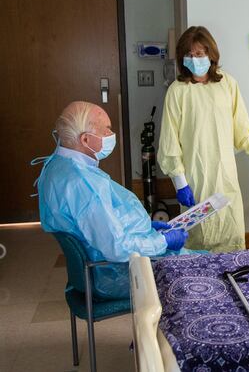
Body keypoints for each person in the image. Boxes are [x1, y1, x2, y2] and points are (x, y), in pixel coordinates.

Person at [35, 101, 198, 299]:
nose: (112, 136)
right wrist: (162, 241)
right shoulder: (83, 184)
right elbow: (118, 249)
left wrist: (145, 227)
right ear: (85, 139)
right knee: (207, 266)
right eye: (107, 130)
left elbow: (99, 223)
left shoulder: (58, 166)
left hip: (98, 265)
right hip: (113, 273)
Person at [158, 26, 249, 253]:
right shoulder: (177, 91)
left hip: (225, 177)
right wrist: (180, 183)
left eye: (199, 54)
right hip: (195, 178)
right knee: (198, 240)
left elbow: (242, 128)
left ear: (211, 55)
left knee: (230, 235)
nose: (194, 59)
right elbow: (170, 143)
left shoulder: (227, 84)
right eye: (188, 55)